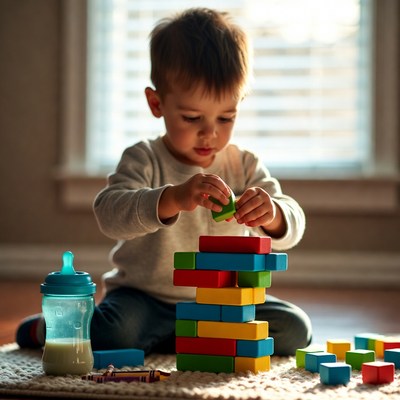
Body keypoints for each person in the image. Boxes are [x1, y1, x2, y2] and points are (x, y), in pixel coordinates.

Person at [16, 7, 312, 356]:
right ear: (156, 103)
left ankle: (178, 338)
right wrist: (171, 198)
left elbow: (293, 223)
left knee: (295, 330)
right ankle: (53, 325)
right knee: (117, 335)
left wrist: (273, 213)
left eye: (226, 117)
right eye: (191, 117)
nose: (210, 133)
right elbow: (109, 214)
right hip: (146, 299)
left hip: (223, 302)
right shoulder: (144, 158)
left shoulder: (244, 164)